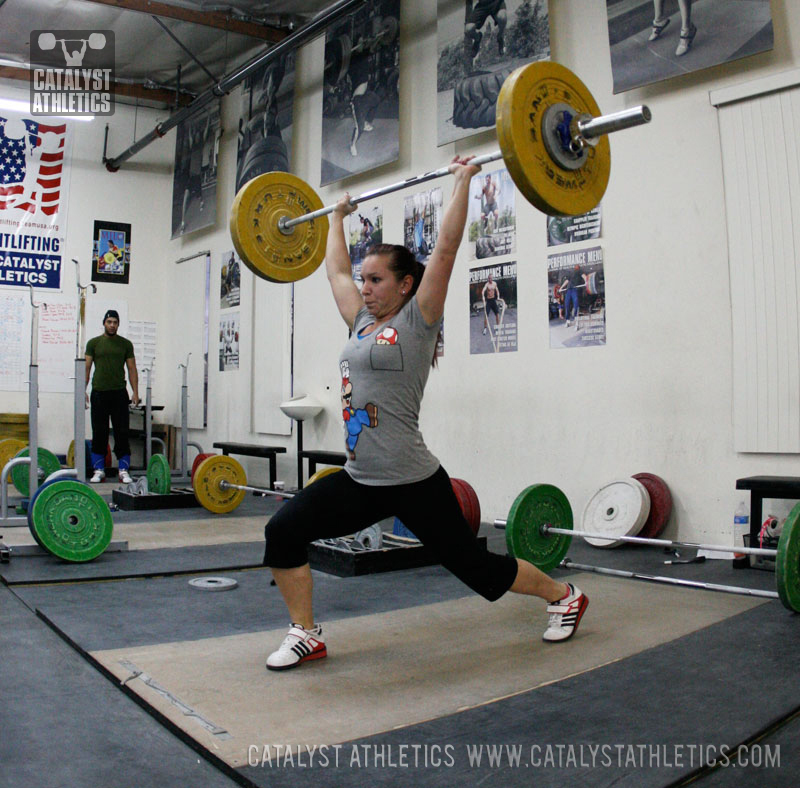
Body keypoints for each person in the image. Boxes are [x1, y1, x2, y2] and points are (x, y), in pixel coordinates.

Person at [262, 156, 589, 672]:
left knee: (476, 568)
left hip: (414, 480)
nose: (365, 288)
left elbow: (447, 249)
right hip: (361, 478)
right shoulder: (360, 324)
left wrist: (463, 182)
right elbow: (335, 270)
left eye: (376, 280)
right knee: (283, 531)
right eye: (364, 281)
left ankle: (563, 594)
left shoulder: (418, 322)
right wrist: (336, 219)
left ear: (405, 285)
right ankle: (305, 633)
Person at [85, 310, 139, 484]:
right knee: (99, 432)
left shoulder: (125, 344)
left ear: (118, 324)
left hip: (119, 394)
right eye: (109, 321)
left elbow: (132, 369)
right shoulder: (93, 343)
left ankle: (123, 470)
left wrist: (135, 392)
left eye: (115, 322)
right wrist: (82, 390)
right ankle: (99, 470)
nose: (112, 325)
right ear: (104, 323)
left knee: (122, 432)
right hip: (99, 393)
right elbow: (86, 368)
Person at [464, 0, 508, 71]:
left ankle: (500, 37)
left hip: (496, 2)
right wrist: (470, 18)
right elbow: (469, 3)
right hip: (482, 6)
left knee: (502, 17)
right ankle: (477, 38)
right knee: (468, 29)